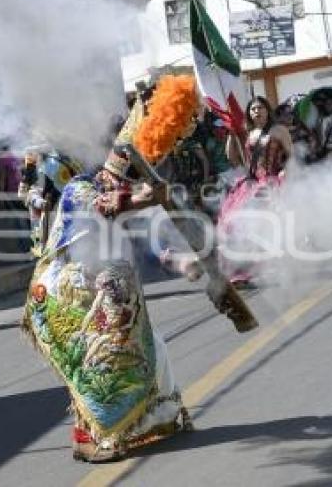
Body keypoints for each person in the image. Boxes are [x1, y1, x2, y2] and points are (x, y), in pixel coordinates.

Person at [23, 75, 200, 462]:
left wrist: (179, 258)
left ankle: (159, 418)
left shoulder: (112, 188)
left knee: (147, 349)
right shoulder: (79, 190)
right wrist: (149, 198)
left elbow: (151, 237)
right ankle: (99, 437)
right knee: (100, 364)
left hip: (99, 285)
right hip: (65, 290)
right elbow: (111, 204)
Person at [217, 96, 292, 286]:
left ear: (267, 110)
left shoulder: (279, 130)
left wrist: (284, 174)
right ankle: (241, 270)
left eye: (260, 108)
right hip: (251, 183)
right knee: (233, 224)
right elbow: (233, 159)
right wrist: (231, 132)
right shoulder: (248, 133)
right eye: (253, 109)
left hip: (273, 181)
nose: (257, 112)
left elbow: (291, 157)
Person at [18, 150, 82, 257]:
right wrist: (41, 203)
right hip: (48, 223)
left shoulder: (54, 165)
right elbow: (29, 194)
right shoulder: (43, 171)